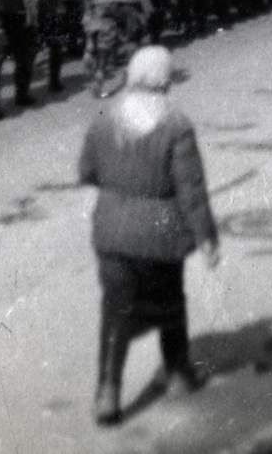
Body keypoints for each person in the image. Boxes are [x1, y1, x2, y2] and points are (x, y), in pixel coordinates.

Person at [77, 47, 218, 426]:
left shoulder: (105, 118)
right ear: (165, 81)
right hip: (161, 235)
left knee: (115, 310)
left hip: (111, 234)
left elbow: (86, 170)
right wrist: (207, 238)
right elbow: (191, 189)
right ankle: (177, 374)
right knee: (170, 300)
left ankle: (108, 392)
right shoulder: (176, 125)